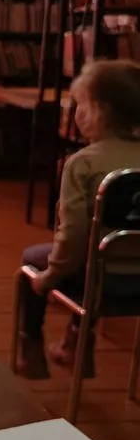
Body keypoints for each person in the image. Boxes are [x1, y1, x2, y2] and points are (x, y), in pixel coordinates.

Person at [16, 59, 140, 379]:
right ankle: (74, 345)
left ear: (97, 110)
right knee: (100, 252)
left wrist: (50, 276)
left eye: (79, 104)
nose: (75, 112)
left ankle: (31, 351)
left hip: (101, 282)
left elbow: (72, 236)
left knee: (33, 262)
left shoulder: (83, 163)